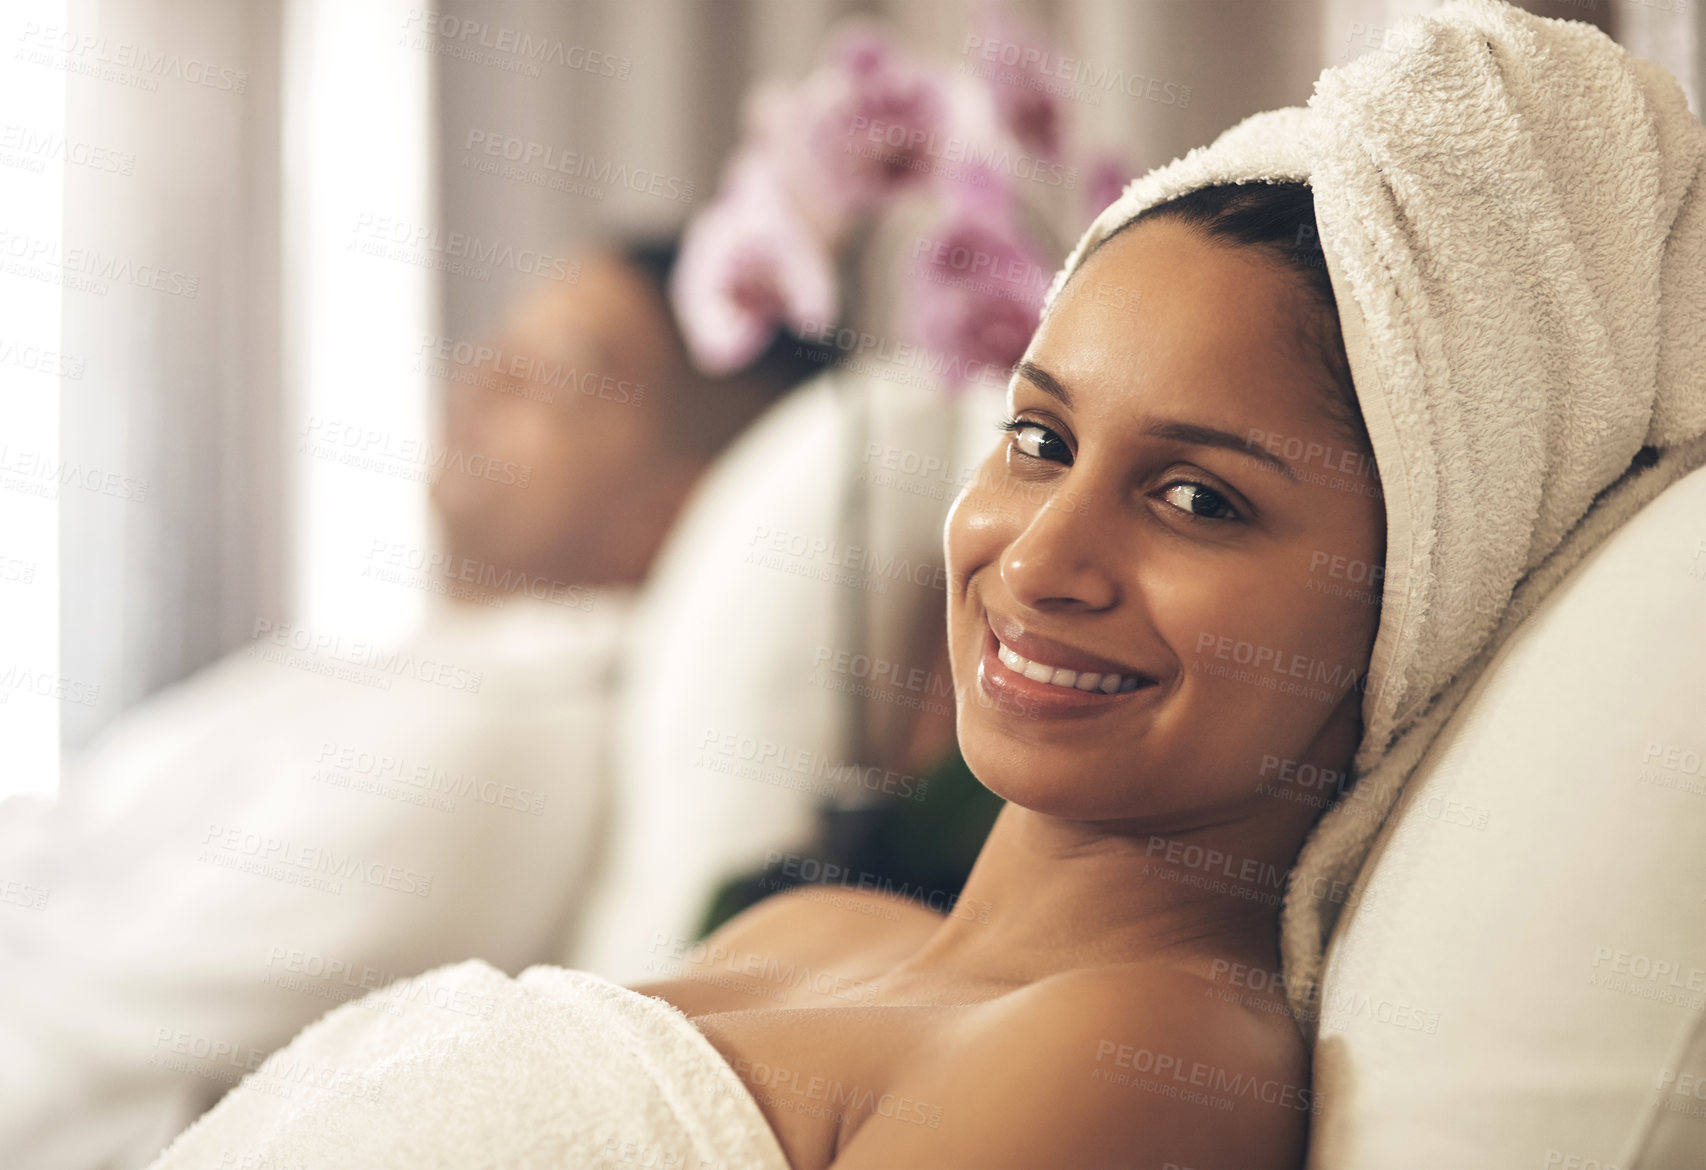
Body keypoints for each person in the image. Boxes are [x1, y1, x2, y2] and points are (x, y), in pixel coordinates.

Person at [137, 5, 1706, 1167]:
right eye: (1037, 436)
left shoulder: (1145, 1061)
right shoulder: (817, 928)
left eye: (1195, 495)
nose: (1033, 557)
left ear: (1413, 595)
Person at [0, 239, 830, 1170]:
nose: (483, 378)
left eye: (558, 374)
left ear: (675, 507)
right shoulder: (415, 670)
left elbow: (86, 1039)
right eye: (506, 343)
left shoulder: (490, 744)